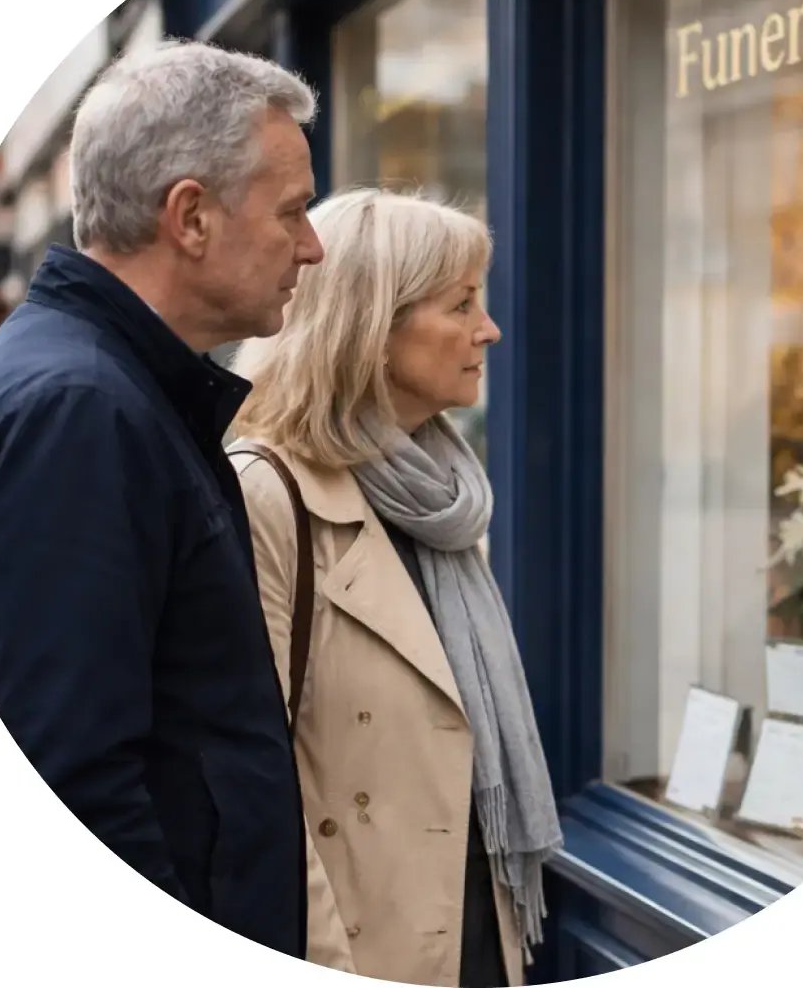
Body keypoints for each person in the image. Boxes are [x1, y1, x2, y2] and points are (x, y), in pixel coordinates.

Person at [0, 40, 324, 955]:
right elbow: (72, 787)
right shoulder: (80, 413)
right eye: (293, 211)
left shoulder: (108, 389)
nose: (312, 244)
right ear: (190, 216)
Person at [230, 188, 563, 987]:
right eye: (461, 304)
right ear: (371, 327)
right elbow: (253, 782)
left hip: (476, 932)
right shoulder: (266, 494)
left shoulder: (440, 493)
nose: (490, 329)